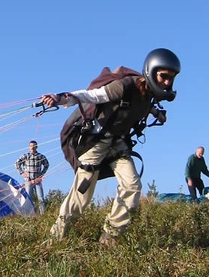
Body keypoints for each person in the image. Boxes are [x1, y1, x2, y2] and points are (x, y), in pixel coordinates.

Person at [41, 48, 181, 245]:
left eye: (171, 78)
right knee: (81, 197)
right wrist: (61, 98)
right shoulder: (124, 86)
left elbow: (143, 105)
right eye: (164, 76)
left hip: (117, 143)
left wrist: (157, 113)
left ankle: (110, 238)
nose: (167, 82)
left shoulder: (147, 94)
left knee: (132, 186)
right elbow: (91, 96)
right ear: (151, 71)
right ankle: (56, 238)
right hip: (96, 142)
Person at [15, 140, 49, 214]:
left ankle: (43, 214)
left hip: (37, 180)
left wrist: (41, 174)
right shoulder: (25, 156)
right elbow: (17, 163)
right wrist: (22, 173)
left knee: (41, 198)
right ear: (29, 147)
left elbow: (46, 165)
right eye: (31, 146)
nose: (32, 147)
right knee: (29, 198)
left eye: (34, 146)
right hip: (28, 180)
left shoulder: (40, 156)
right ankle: (29, 214)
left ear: (36, 147)